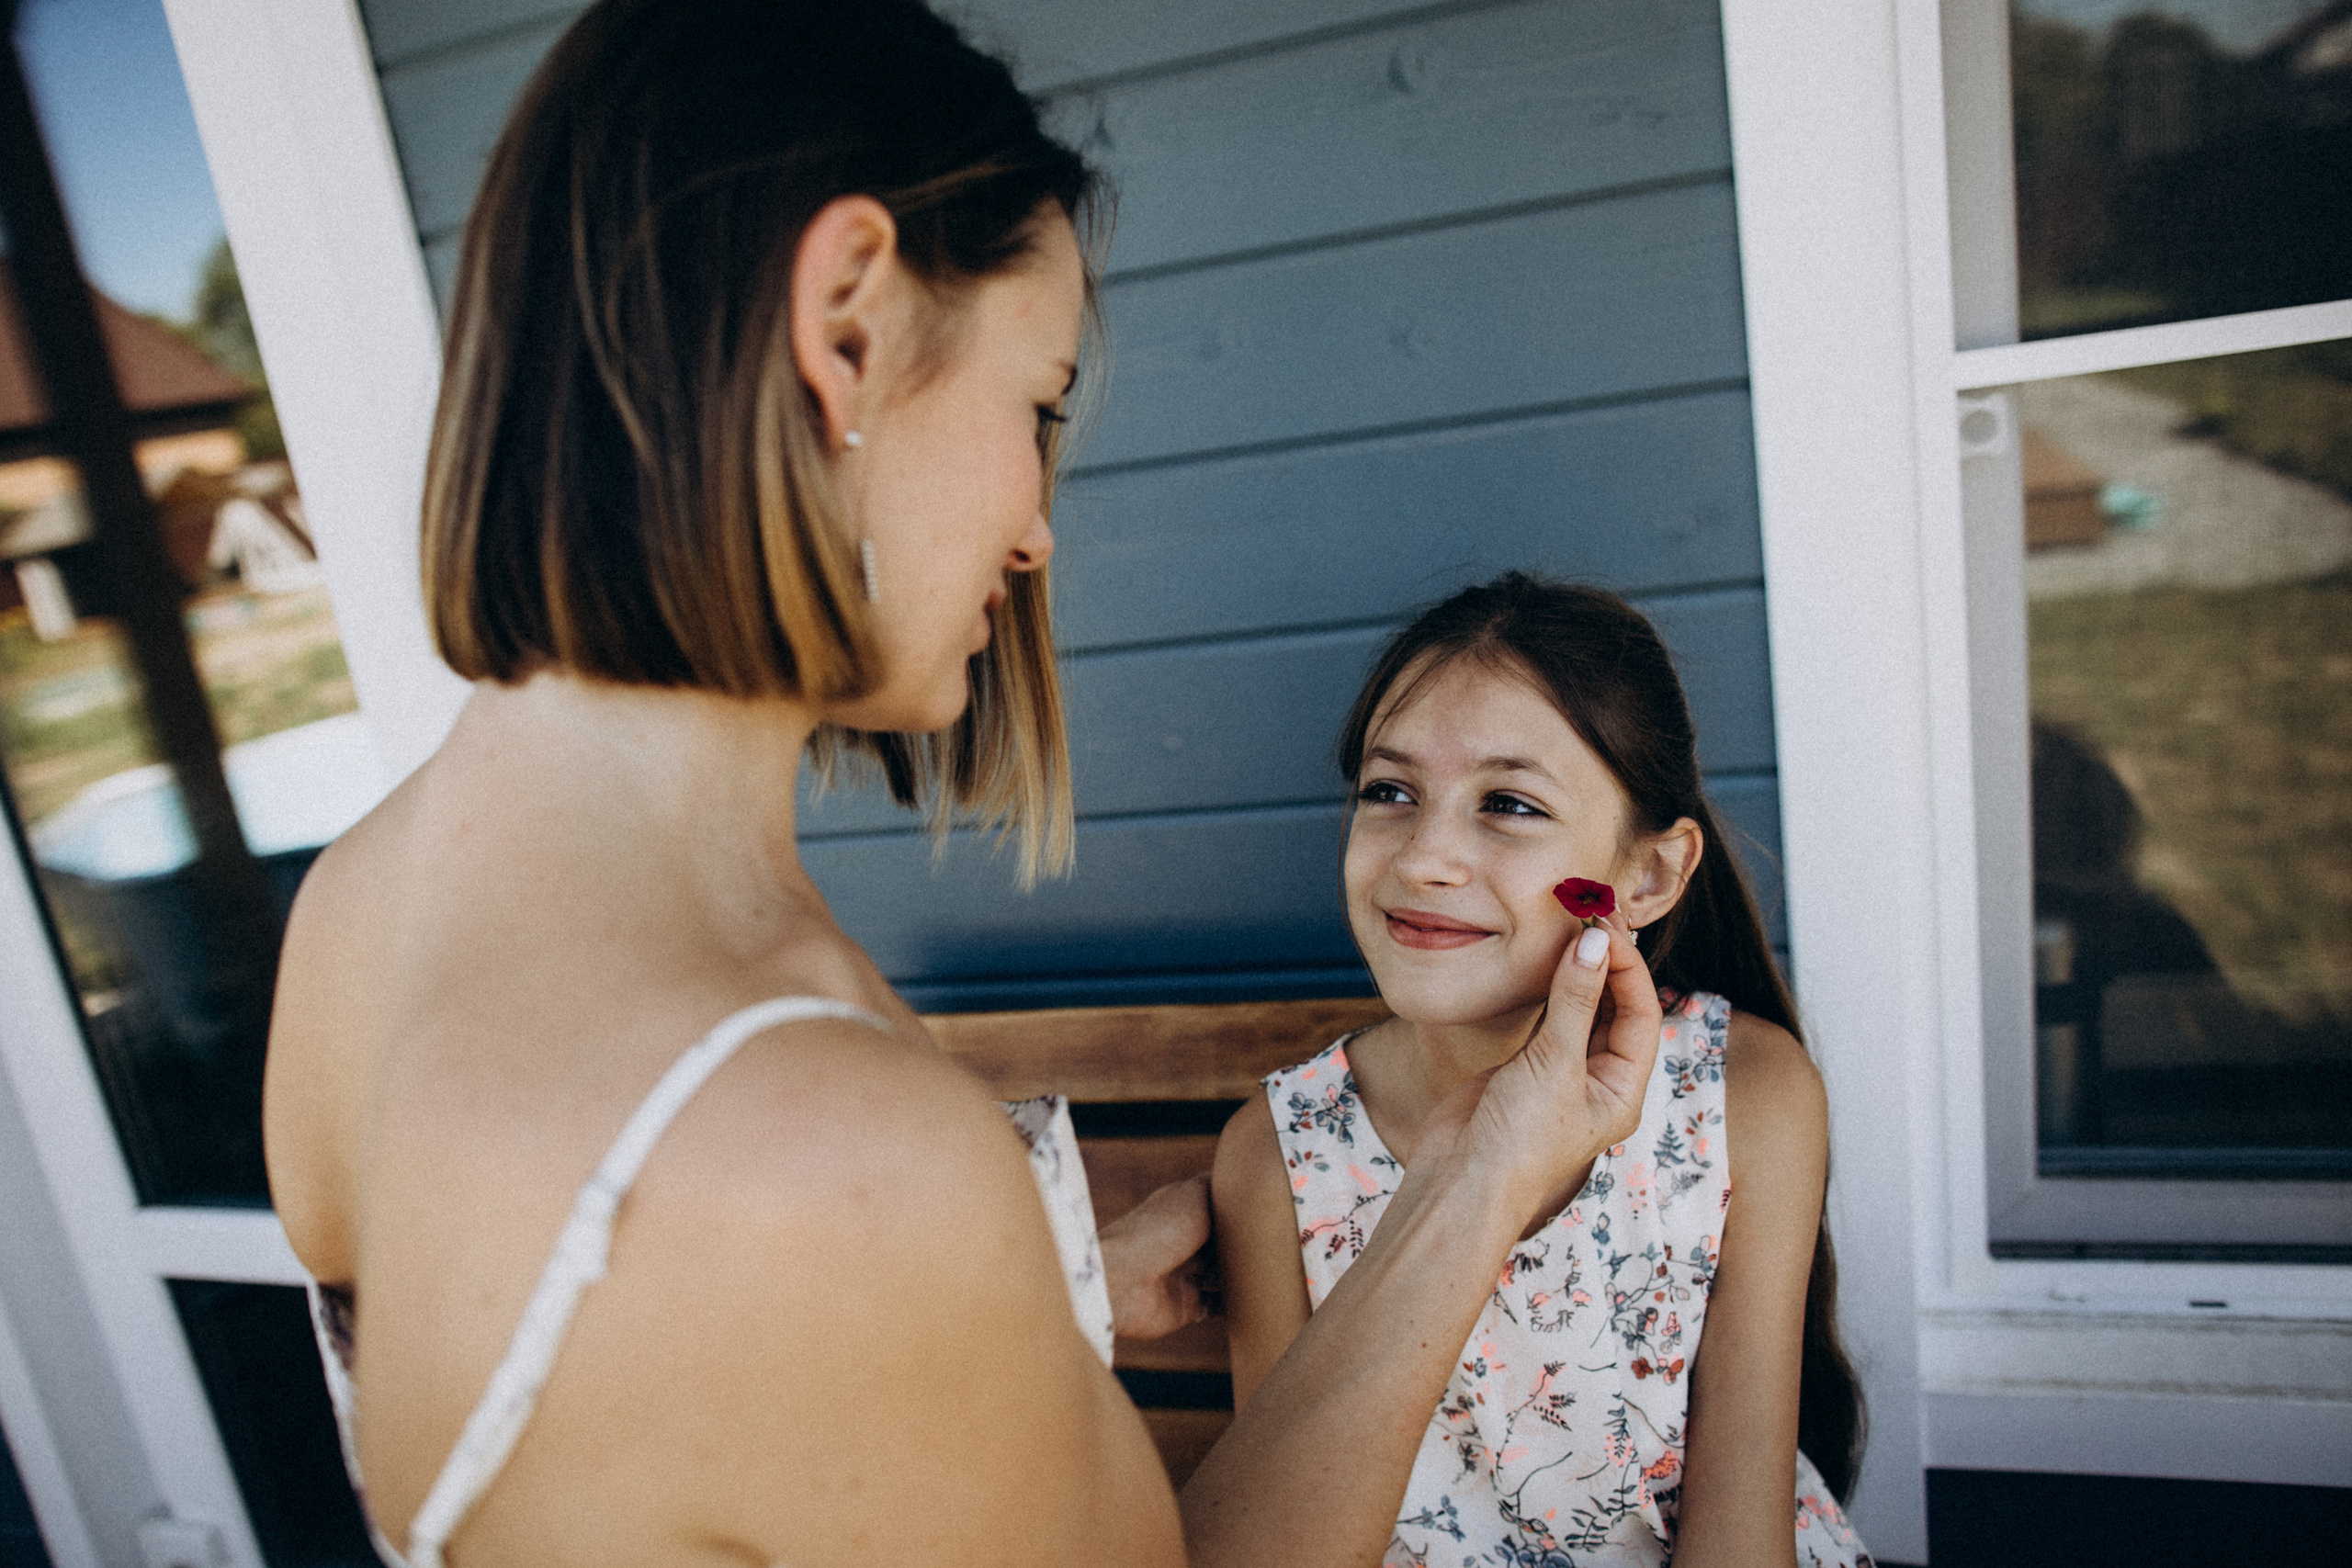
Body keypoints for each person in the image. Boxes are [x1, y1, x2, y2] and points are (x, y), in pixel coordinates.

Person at [265, 4, 1666, 1565]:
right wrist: (1486, 1181)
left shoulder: (355, 917)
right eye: (1039, 401)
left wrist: (1035, 1303)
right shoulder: (832, 1149)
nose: (1038, 524)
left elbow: (655, 1424)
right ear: (846, 324)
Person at [1214, 574, 1874, 1568]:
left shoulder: (1743, 1096)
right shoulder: (1279, 1156)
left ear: (1646, 876)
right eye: (1390, 792)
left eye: (1509, 804)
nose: (1427, 857)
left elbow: (1740, 1523)